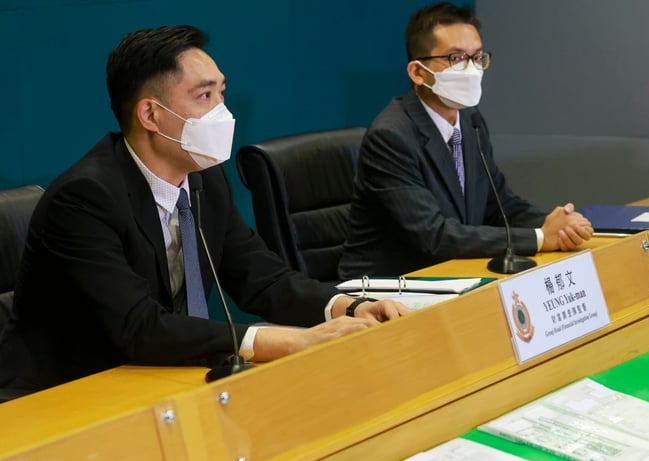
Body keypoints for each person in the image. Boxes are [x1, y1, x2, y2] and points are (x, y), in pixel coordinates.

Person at [0, 25, 406, 399]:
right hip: (65, 395)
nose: (223, 112)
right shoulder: (85, 199)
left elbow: (261, 278)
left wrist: (348, 307)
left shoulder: (203, 177)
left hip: (161, 377)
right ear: (151, 115)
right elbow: (138, 327)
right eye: (204, 96)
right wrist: (292, 340)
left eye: (222, 94)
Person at [337, 2, 593, 280]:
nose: (471, 70)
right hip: (386, 288)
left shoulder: (470, 122)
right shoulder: (391, 136)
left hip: (451, 273)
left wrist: (560, 225)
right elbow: (434, 236)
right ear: (417, 72)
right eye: (456, 59)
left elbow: (502, 206)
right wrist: (541, 238)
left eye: (477, 57)